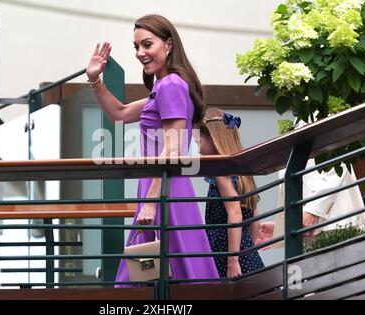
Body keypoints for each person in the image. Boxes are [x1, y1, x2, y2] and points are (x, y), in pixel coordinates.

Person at [85, 14, 219, 286]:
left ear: (168, 45)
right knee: (169, 272)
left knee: (148, 277)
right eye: (136, 47)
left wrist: (150, 201)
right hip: (163, 185)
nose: (140, 53)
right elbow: (119, 113)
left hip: (162, 187)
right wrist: (94, 79)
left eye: (147, 44)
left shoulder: (171, 85)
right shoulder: (164, 86)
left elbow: (171, 148)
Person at [195, 108, 264, 278]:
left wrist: (232, 261)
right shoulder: (243, 172)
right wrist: (249, 250)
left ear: (213, 139)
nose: (198, 150)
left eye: (199, 142)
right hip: (246, 249)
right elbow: (254, 216)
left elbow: (235, 213)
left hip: (224, 250)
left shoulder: (221, 173)